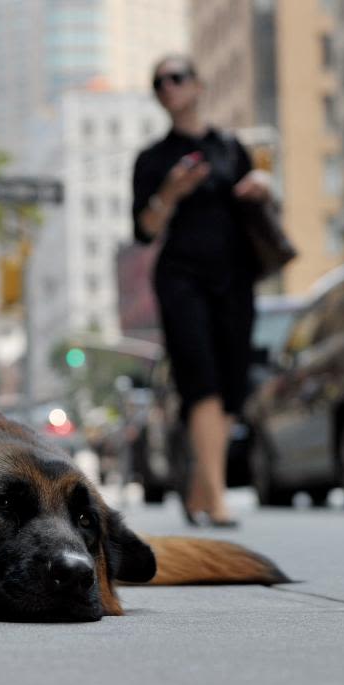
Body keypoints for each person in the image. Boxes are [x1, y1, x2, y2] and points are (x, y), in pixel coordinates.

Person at [131, 54, 272, 527]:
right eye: (159, 83)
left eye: (176, 78)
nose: (167, 87)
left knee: (232, 382)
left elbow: (258, 204)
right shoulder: (152, 159)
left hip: (235, 276)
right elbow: (146, 231)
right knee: (201, 377)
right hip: (181, 278)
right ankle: (218, 496)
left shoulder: (232, 147)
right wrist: (170, 192)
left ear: (198, 84)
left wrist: (261, 188)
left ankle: (198, 485)